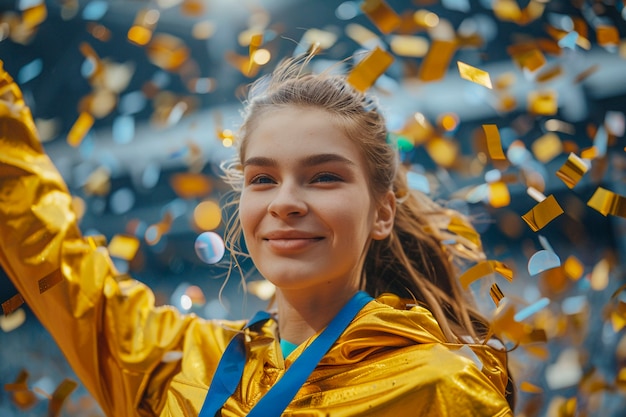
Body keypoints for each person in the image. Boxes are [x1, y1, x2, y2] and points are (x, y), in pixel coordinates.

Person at [0, 54, 514, 417]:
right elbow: (47, 247)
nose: (285, 201)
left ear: (382, 213)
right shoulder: (174, 360)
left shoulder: (443, 389)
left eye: (324, 177)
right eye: (263, 179)